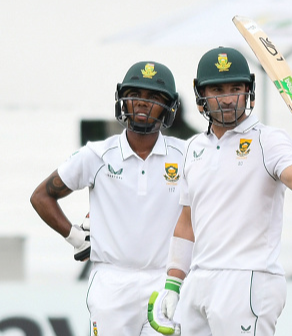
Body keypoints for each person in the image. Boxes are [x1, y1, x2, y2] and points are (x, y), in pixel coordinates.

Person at [148, 47, 292, 336]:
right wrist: (174, 284)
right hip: (200, 280)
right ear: (200, 94)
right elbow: (187, 222)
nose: (227, 98)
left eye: (235, 88)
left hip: (249, 279)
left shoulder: (269, 139)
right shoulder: (192, 148)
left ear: (248, 91)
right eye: (217, 89)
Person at [30, 61, 186, 336]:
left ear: (169, 107)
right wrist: (75, 237)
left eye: (153, 98)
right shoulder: (97, 155)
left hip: (166, 282)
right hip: (111, 284)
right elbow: (41, 196)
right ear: (122, 100)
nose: (142, 103)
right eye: (135, 95)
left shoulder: (186, 156)